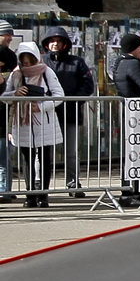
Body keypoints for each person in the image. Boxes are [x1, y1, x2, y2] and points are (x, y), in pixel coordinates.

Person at [4, 49, 64, 208]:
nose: (27, 65)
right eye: (24, 63)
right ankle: (30, 194)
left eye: (30, 62)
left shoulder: (47, 71)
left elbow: (59, 95)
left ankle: (43, 195)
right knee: (27, 158)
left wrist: (42, 107)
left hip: (45, 121)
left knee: (45, 158)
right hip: (23, 122)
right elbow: (4, 97)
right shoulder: (16, 74)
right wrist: (15, 94)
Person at [40, 31, 94, 195]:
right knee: (42, 151)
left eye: (58, 41)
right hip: (46, 114)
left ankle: (73, 183)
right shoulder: (41, 62)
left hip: (70, 112)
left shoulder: (76, 62)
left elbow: (88, 85)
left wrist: (75, 99)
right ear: (46, 44)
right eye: (52, 41)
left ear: (65, 44)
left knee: (71, 151)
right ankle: (39, 184)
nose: (55, 44)